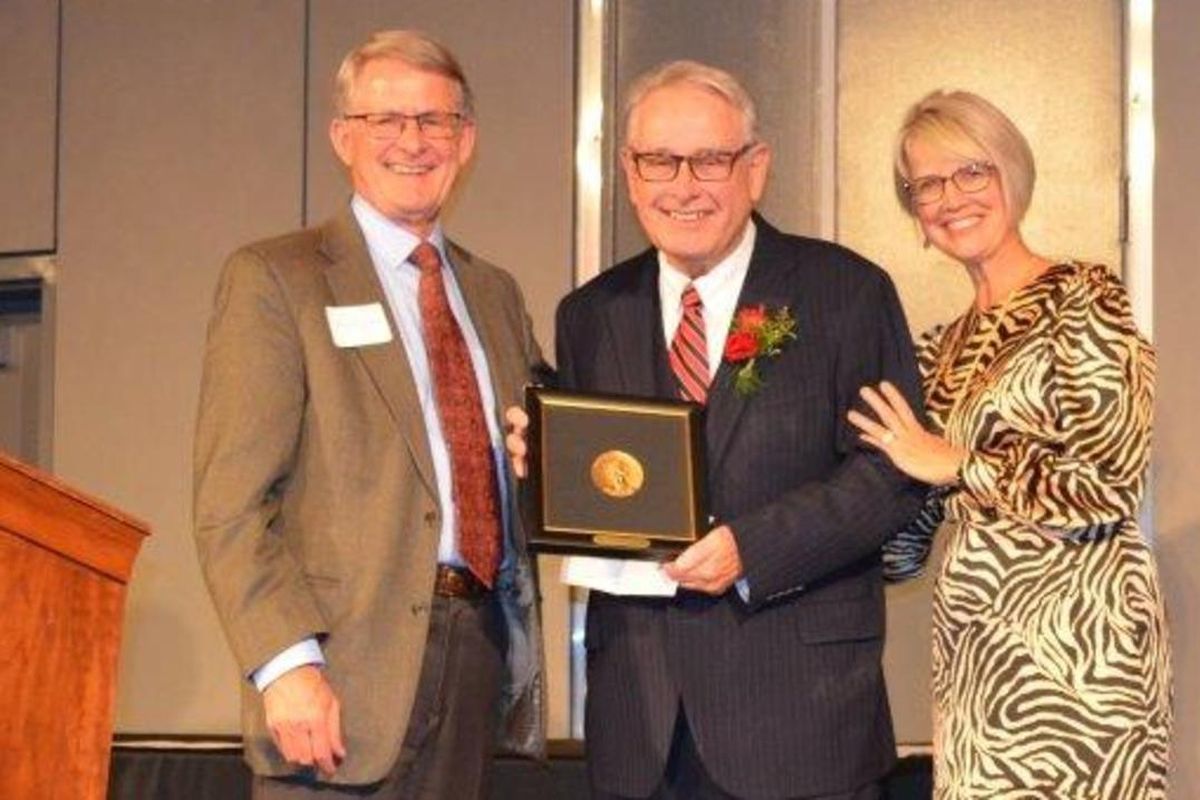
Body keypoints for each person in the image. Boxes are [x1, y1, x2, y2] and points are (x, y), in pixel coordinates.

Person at [510, 60, 925, 799]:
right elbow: (595, 493)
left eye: (709, 160)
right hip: (640, 722)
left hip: (801, 718)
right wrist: (537, 470)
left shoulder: (845, 292)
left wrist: (751, 549)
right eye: (659, 161)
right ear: (629, 173)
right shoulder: (591, 314)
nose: (683, 186)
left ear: (755, 168)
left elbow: (890, 476)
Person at [193, 29, 545, 800]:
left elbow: (546, 456)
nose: (411, 142)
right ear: (342, 137)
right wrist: (285, 665)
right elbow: (231, 507)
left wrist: (542, 460)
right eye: (385, 120)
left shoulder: (496, 294)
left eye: (434, 120)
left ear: (466, 140)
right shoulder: (276, 279)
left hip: (475, 650)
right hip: (337, 674)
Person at [847, 89, 1173, 798]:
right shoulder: (938, 349)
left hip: (1083, 661)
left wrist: (960, 463)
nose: (951, 198)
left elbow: (1110, 483)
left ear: (1011, 175)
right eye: (927, 184)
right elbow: (907, 545)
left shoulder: (1084, 296)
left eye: (972, 171)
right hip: (977, 662)